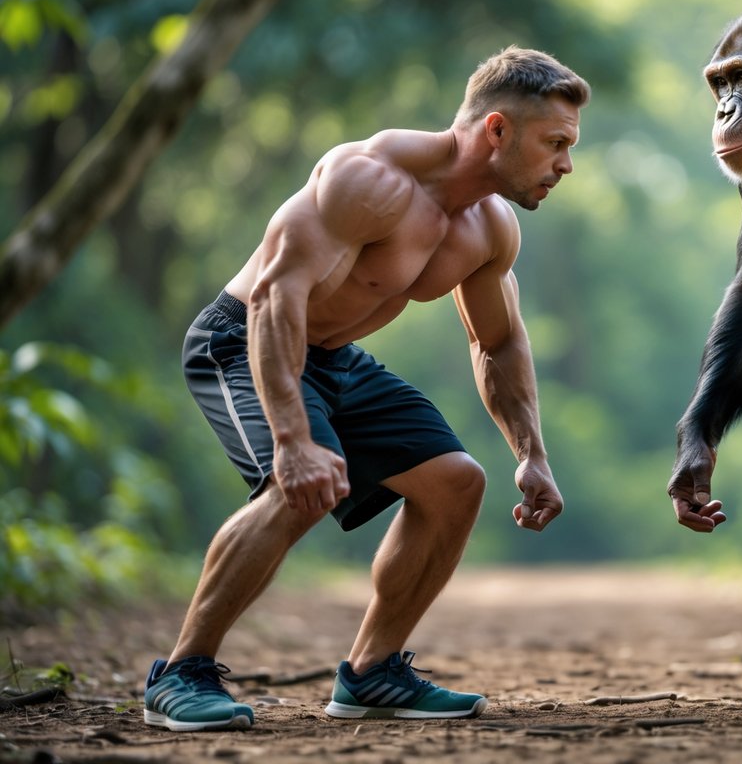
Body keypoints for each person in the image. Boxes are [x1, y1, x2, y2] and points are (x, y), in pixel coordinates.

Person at [143, 47, 590, 732]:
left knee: (455, 482)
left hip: (336, 356)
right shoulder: (368, 178)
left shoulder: (490, 228)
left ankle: (372, 673)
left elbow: (496, 342)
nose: (565, 164)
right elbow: (275, 294)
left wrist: (531, 453)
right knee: (297, 488)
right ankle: (180, 675)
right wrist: (293, 441)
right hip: (243, 338)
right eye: (555, 143)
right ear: (497, 130)